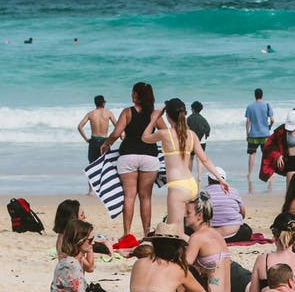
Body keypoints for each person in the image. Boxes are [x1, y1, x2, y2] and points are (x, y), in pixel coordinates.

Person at [143, 98, 229, 232]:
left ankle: (198, 248)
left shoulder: (165, 134)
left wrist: (154, 119)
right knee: (182, 229)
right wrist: (220, 179)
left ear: (167, 115)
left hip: (177, 187)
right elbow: (205, 159)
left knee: (175, 231)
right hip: (191, 185)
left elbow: (145, 137)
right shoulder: (191, 135)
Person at [99, 82, 159, 240]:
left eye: (134, 93)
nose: (132, 95)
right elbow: (166, 132)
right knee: (145, 197)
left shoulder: (127, 112)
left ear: (137, 95)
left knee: (129, 196)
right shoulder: (154, 114)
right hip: (149, 156)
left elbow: (117, 133)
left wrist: (107, 144)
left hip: (128, 156)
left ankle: (127, 234)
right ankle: (147, 232)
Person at [185, 195, 247, 292]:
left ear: (199, 215)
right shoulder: (217, 235)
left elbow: (183, 266)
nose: (185, 215)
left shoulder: (197, 237)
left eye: (188, 212)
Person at [202, 168, 250, 242]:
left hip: (210, 234)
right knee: (247, 230)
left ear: (209, 179)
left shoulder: (203, 192)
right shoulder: (233, 191)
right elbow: (243, 214)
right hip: (233, 233)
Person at [77, 95, 116, 166]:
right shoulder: (108, 113)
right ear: (103, 103)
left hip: (93, 142)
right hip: (105, 142)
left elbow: (79, 127)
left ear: (95, 103)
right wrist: (111, 140)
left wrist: (86, 139)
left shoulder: (90, 114)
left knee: (93, 166)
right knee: (106, 165)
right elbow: (117, 127)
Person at [245, 88, 274, 183]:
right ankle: (271, 173)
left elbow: (248, 121)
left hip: (253, 134)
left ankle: (250, 173)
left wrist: (247, 133)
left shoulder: (250, 107)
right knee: (267, 154)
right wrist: (269, 126)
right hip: (265, 134)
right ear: (262, 95)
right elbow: (273, 120)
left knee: (252, 154)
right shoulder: (267, 106)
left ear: (255, 95)